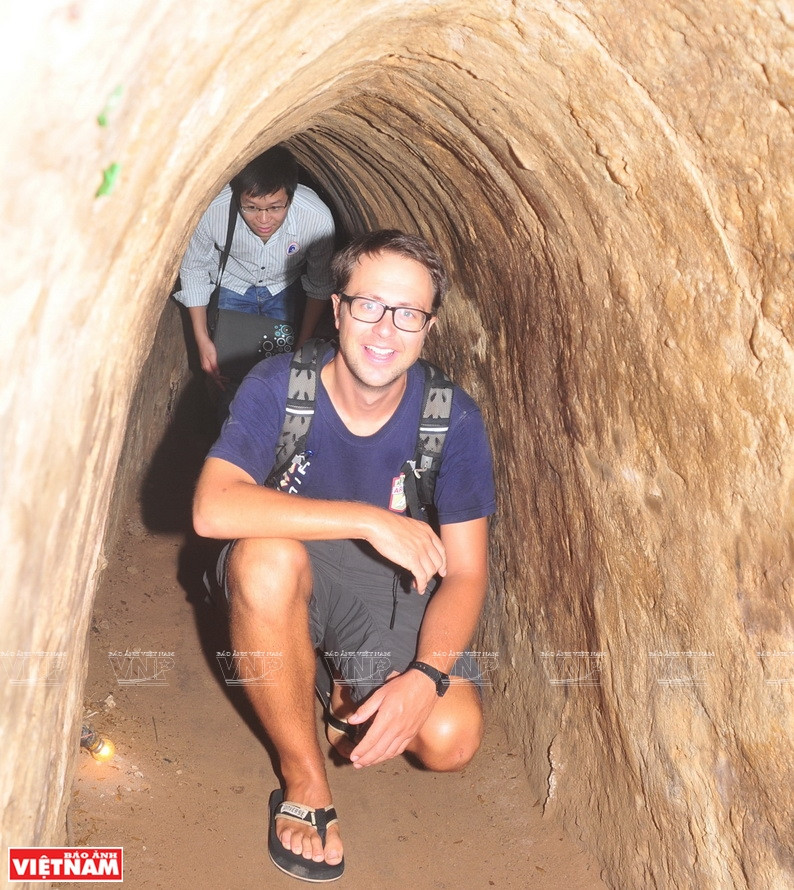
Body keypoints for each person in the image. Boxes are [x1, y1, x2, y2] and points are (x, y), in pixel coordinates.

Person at [192, 230, 496, 882]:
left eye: (408, 313)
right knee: (266, 561)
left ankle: (335, 682)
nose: (386, 329)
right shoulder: (281, 385)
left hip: (383, 588)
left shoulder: (451, 419)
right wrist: (369, 519)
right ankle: (304, 779)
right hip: (287, 562)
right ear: (337, 309)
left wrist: (426, 677)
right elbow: (212, 509)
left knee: (450, 739)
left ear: (429, 327)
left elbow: (468, 572)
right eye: (369, 305)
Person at [174, 144, 335, 391]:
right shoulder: (213, 210)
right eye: (251, 207)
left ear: (290, 198)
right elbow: (194, 269)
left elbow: (320, 284)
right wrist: (202, 338)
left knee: (277, 375)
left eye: (275, 207)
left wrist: (302, 345)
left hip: (283, 287)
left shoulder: (316, 219)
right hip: (232, 283)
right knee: (225, 374)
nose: (263, 220)